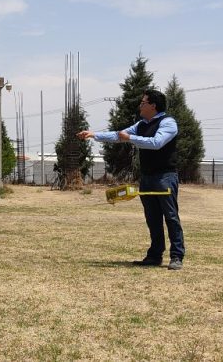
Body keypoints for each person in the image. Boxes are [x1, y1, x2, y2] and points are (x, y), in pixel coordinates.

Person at [77, 89, 185, 270]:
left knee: (171, 217)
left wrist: (131, 138)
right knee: (152, 218)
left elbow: (156, 143)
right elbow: (119, 135)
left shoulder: (168, 123)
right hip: (147, 176)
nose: (140, 106)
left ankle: (177, 256)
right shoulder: (141, 124)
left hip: (165, 177)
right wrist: (94, 135)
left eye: (143, 103)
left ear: (153, 106)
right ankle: (154, 255)